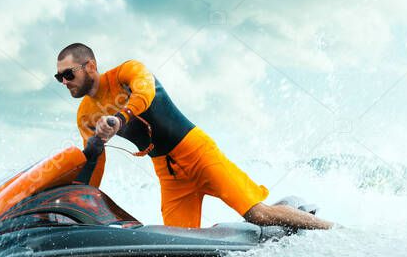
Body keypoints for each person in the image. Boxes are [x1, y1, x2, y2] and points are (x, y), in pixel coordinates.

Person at [56, 42, 332, 230]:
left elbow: (145, 94)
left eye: (68, 74)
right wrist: (78, 203)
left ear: (90, 66)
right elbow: (95, 163)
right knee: (178, 247)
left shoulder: (128, 71)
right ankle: (280, 217)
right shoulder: (85, 115)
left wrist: (119, 119)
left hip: (197, 152)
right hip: (169, 175)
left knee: (258, 214)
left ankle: (335, 230)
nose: (65, 82)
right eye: (60, 78)